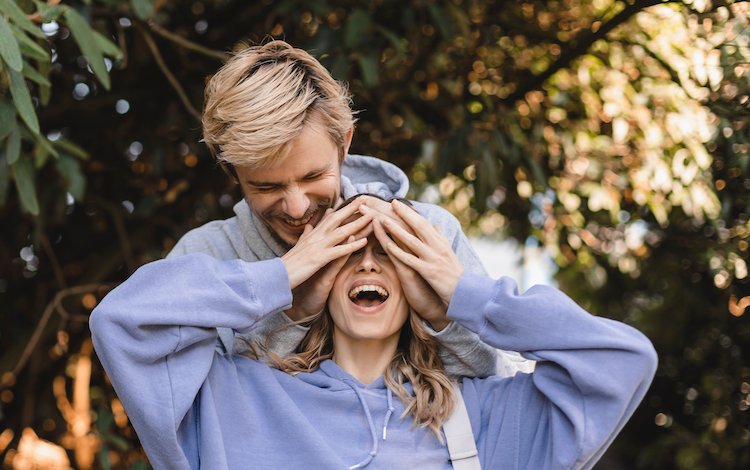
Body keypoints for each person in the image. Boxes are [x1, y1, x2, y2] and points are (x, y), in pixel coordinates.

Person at [89, 197, 658, 469]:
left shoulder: (485, 422)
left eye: (391, 255)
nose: (367, 265)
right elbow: (124, 322)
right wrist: (282, 282)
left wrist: (464, 296)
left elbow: (620, 362)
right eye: (346, 253)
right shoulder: (233, 399)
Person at [169, 39, 527, 377]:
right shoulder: (204, 257)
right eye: (267, 186)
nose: (296, 208)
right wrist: (288, 303)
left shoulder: (429, 233)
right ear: (232, 172)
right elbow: (193, 409)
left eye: (313, 176)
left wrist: (446, 313)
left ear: (344, 143)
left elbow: (506, 381)